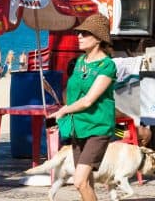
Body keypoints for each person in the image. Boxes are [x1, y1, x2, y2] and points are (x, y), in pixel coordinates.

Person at [50, 14, 116, 201]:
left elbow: (88, 100)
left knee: (79, 181)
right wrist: (62, 118)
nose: (78, 36)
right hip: (78, 128)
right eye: (79, 33)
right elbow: (72, 96)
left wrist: (63, 111)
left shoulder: (107, 66)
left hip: (98, 128)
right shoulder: (80, 62)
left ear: (98, 38)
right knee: (86, 182)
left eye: (84, 33)